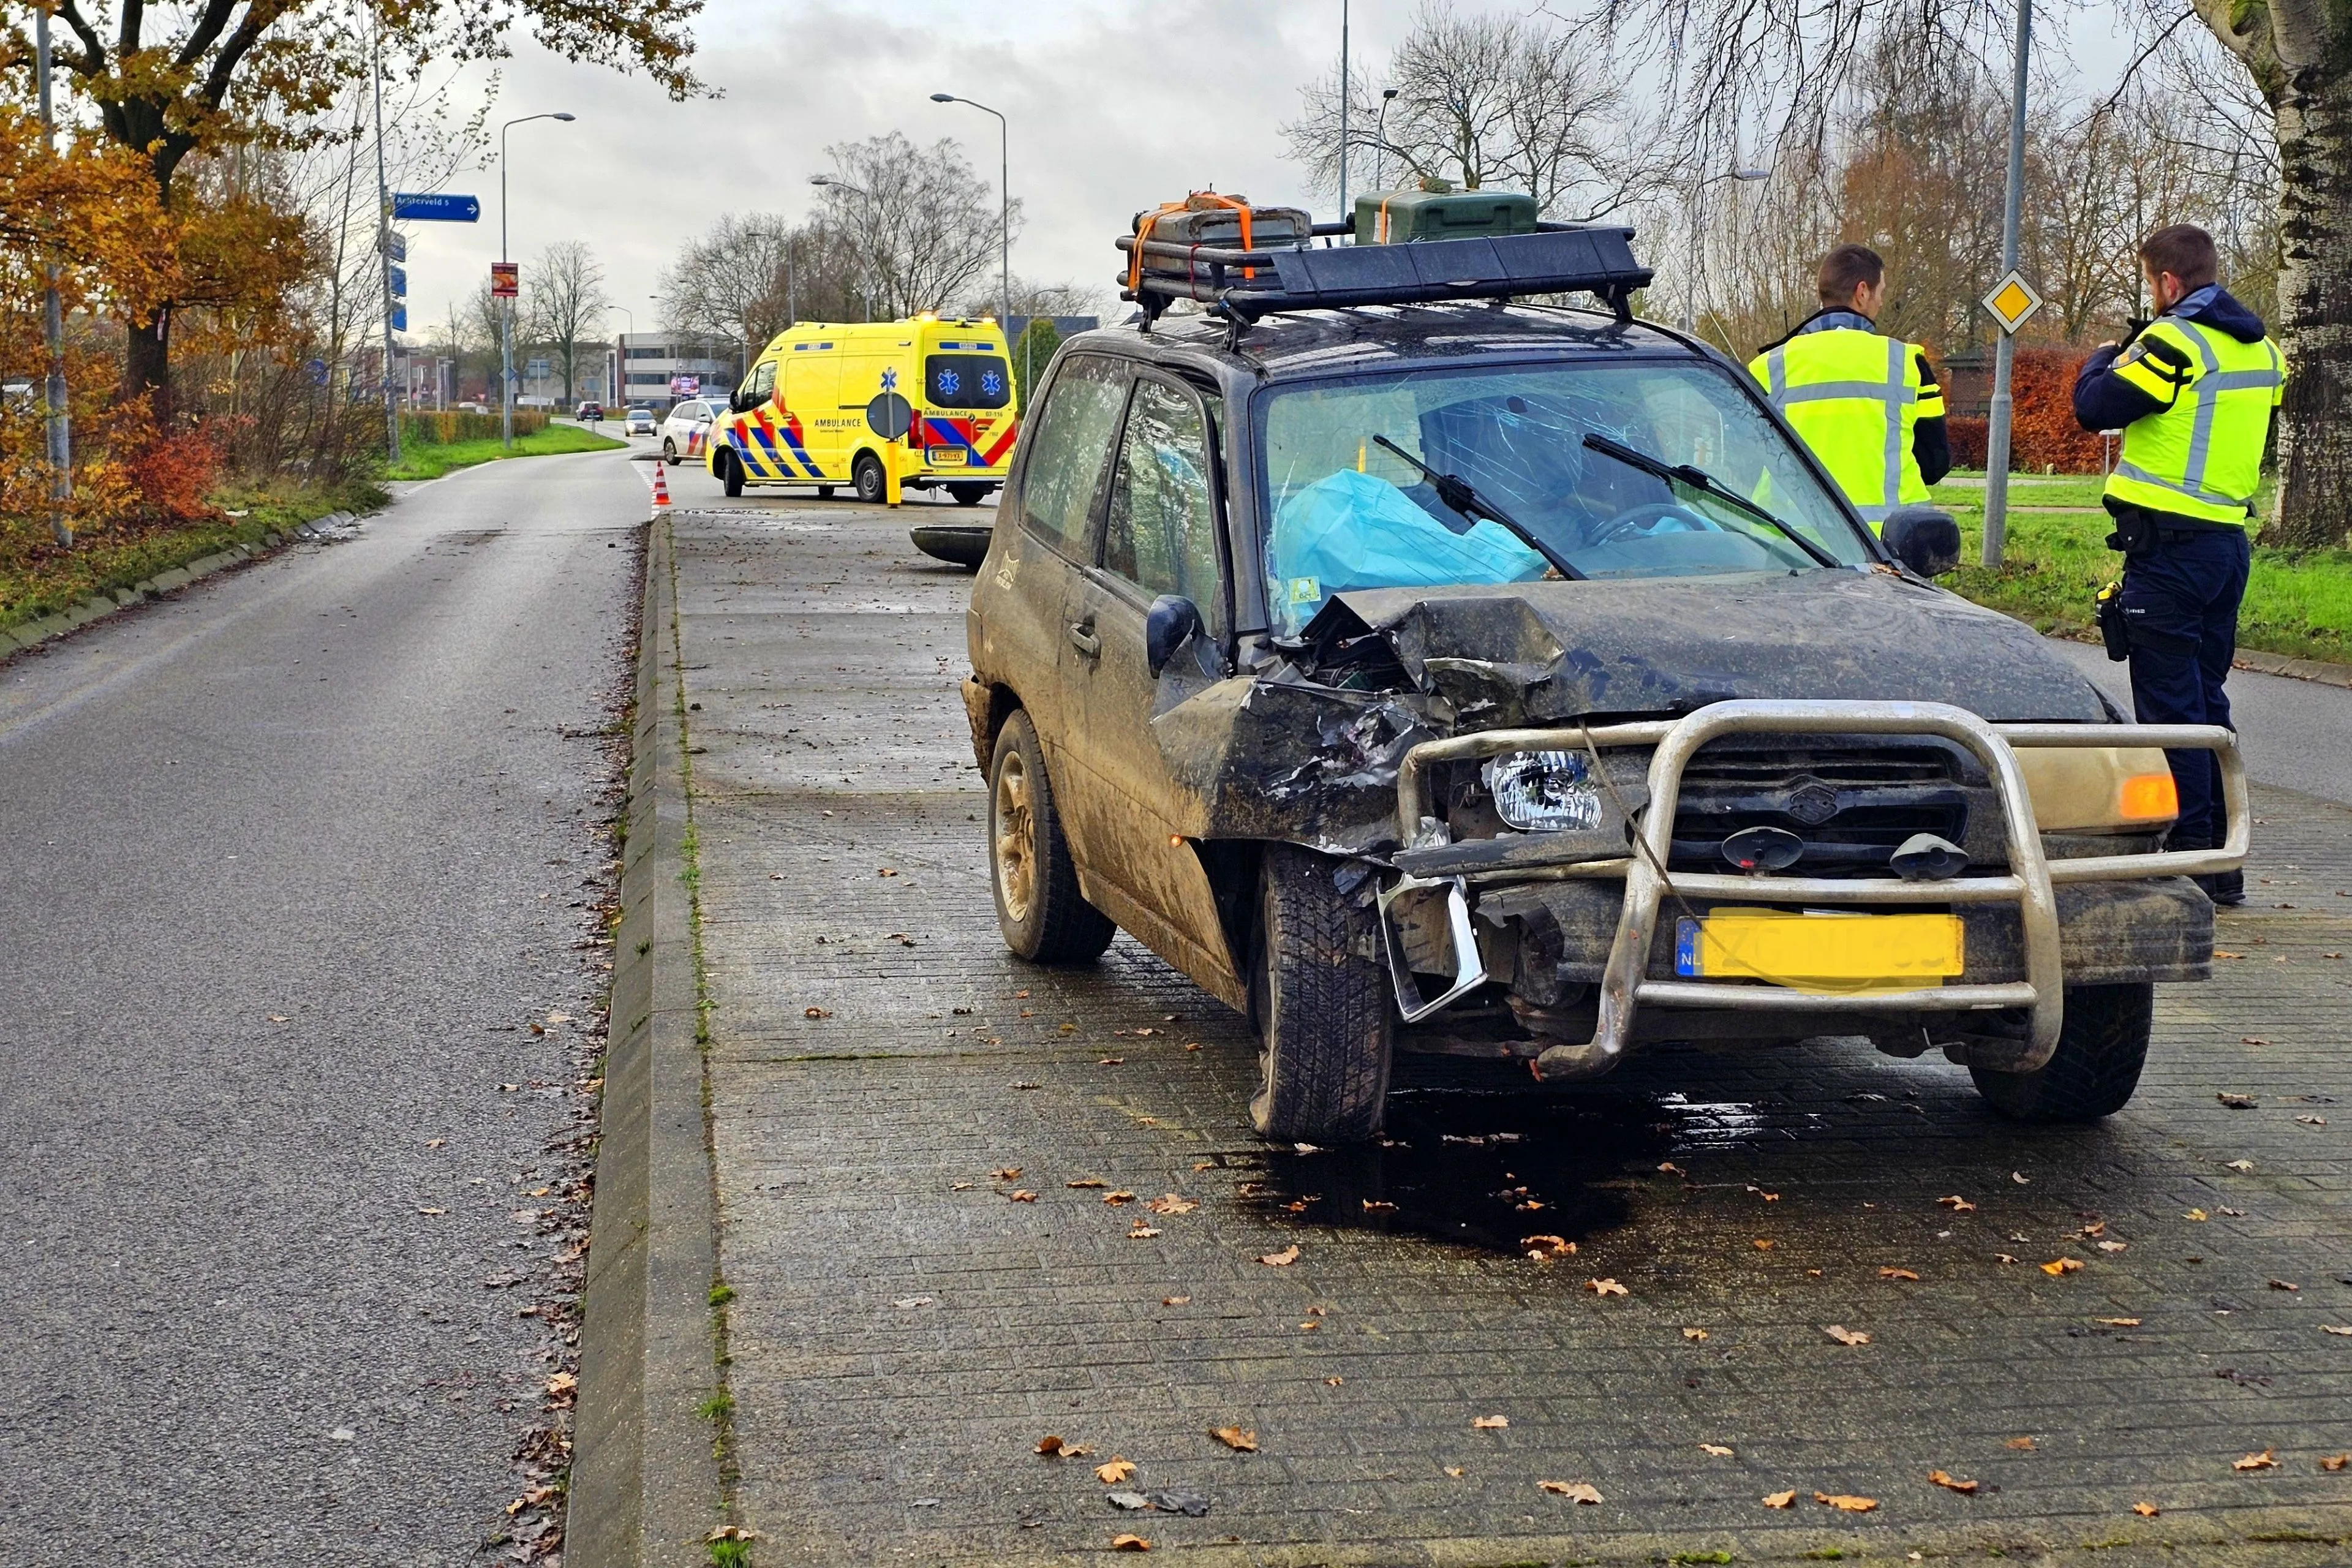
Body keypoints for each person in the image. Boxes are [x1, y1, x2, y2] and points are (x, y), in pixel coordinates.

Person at [2073, 224, 2283, 908]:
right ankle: (2224, 862)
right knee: (2208, 704)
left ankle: (2190, 860)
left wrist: (2103, 356)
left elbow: (2095, 408)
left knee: (2170, 712)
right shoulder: (2263, 349)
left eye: (2151, 284)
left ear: (2166, 282)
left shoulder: (2172, 343)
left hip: (2169, 551)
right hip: (2226, 545)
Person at [1749, 244, 1951, 526]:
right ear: (1863, 292)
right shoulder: (1907, 363)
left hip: (1791, 545)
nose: (1881, 302)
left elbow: (1742, 462)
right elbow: (1934, 464)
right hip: (1888, 544)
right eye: (1881, 292)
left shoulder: (1768, 366)